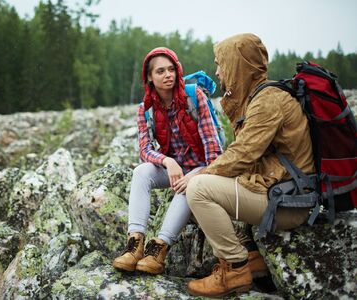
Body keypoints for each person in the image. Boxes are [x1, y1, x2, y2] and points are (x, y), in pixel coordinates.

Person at [185, 33, 315, 297]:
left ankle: (235, 268)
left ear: (238, 64)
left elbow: (243, 154)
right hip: (280, 194)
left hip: (289, 205)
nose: (218, 72)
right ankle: (253, 256)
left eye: (221, 64)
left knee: (198, 189)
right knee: (207, 180)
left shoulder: (267, 101)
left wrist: (202, 173)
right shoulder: (257, 97)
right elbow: (247, 157)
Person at [112, 47, 222, 275]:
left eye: (171, 69)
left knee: (186, 186)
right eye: (160, 71)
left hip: (205, 168)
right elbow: (145, 150)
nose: (168, 75)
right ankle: (134, 244)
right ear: (150, 77)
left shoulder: (194, 96)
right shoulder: (145, 109)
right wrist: (168, 162)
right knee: (142, 172)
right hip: (176, 166)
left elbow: (214, 152)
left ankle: (159, 249)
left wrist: (195, 175)